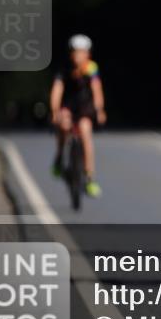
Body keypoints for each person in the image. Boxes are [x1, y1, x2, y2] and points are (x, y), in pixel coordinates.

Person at [50, 34, 107, 197]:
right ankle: (60, 157)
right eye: (76, 52)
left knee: (85, 131)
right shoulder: (64, 69)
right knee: (63, 124)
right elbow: (57, 90)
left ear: (88, 54)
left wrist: (100, 110)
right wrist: (55, 111)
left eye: (82, 52)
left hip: (85, 107)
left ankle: (89, 177)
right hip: (68, 106)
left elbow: (97, 90)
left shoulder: (91, 68)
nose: (79, 56)